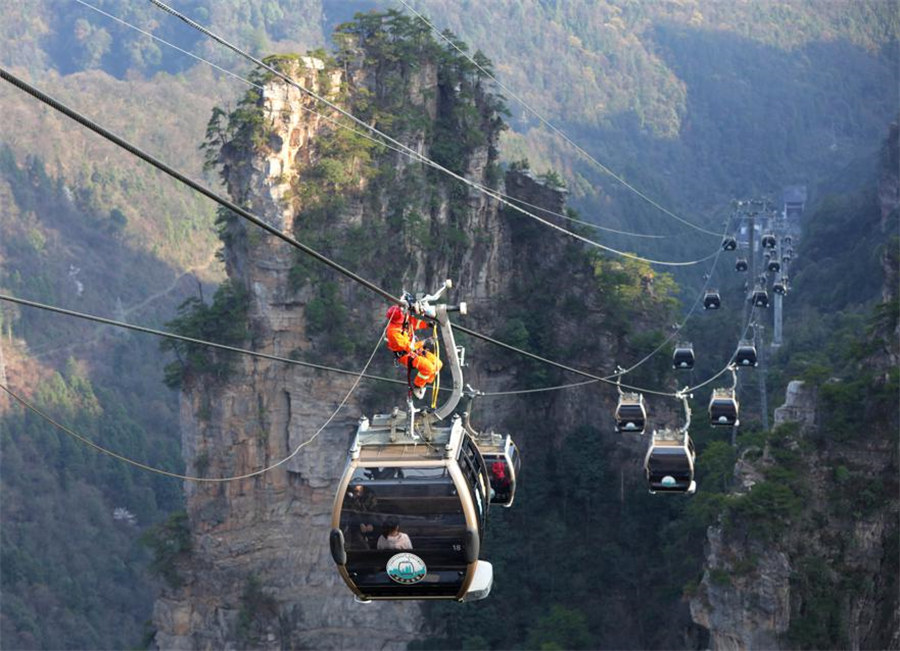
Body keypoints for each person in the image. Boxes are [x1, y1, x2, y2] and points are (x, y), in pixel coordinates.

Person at [384, 304, 441, 400]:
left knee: (438, 364)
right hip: (406, 355)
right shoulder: (393, 332)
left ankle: (424, 383)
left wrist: (427, 324)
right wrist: (425, 342)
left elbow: (413, 323)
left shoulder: (404, 319)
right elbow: (409, 347)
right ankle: (418, 386)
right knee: (428, 368)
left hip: (415, 349)